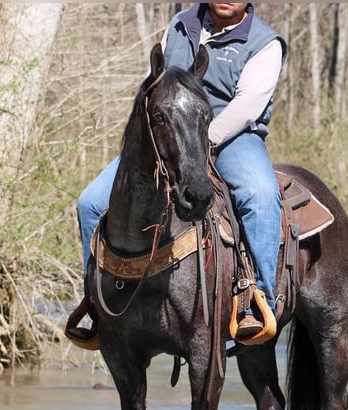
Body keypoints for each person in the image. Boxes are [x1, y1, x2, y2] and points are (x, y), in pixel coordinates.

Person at [68, 3, 287, 348]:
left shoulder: (266, 43)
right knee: (90, 203)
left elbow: (247, 106)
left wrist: (203, 140)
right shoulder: (180, 26)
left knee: (259, 193)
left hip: (231, 136)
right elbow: (153, 85)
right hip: (170, 134)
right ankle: (96, 301)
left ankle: (256, 297)